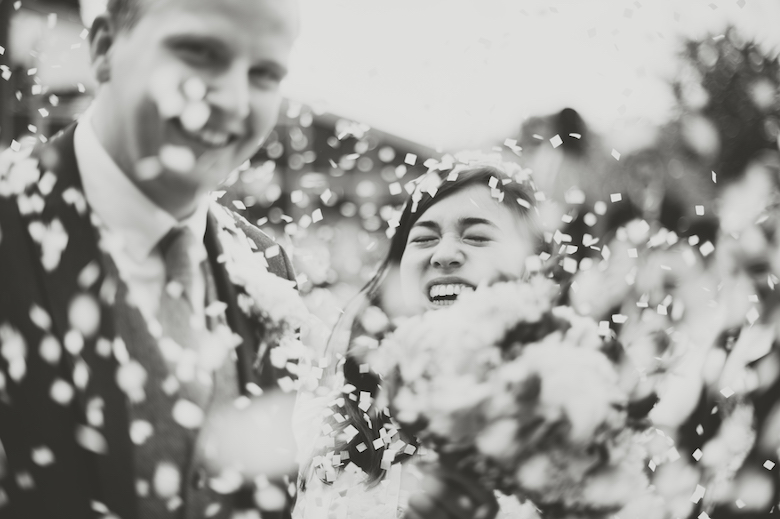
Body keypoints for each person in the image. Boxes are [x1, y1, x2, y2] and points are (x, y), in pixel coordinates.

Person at [0, 0, 300, 517]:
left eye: (264, 73)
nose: (232, 100)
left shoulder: (268, 263)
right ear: (104, 48)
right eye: (199, 52)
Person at [293, 159, 546, 519]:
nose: (443, 255)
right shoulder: (314, 430)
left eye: (476, 236)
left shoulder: (570, 437)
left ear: (531, 266)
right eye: (424, 238)